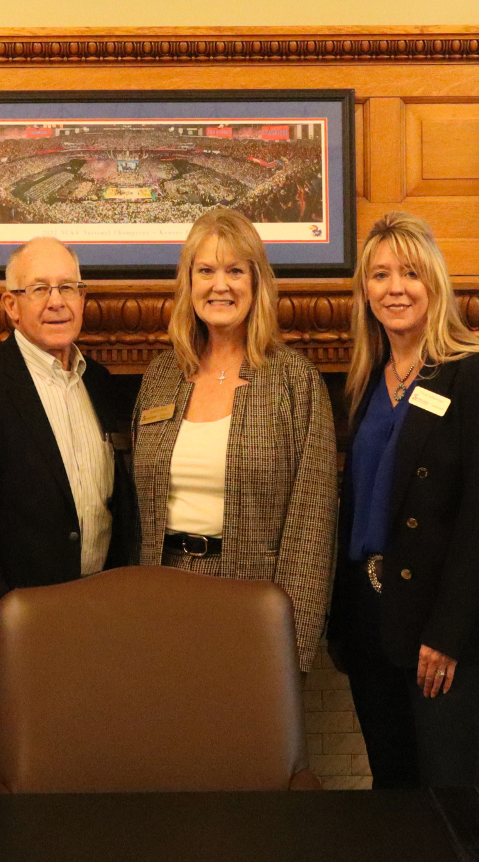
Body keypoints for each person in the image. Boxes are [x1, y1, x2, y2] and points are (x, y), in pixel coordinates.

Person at [0, 237, 140, 784]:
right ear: (10, 305)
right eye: (39, 288)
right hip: (6, 644)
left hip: (95, 637)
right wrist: (17, 631)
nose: (57, 301)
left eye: (69, 286)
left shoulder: (103, 385)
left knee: (83, 790)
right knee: (0, 793)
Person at [326, 211, 479, 788]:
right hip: (369, 618)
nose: (395, 288)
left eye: (410, 273)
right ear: (365, 290)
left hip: (439, 623)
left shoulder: (478, 373)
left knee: (448, 795)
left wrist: (448, 634)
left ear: (434, 281)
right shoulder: (367, 378)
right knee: (393, 792)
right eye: (380, 275)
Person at [131, 207, 336, 672]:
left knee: (246, 743)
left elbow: (312, 529)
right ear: (188, 283)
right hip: (161, 602)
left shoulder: (294, 382)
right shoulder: (162, 377)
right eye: (205, 270)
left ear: (257, 282)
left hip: (254, 608)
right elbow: (136, 512)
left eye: (234, 271)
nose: (219, 285)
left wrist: (293, 648)